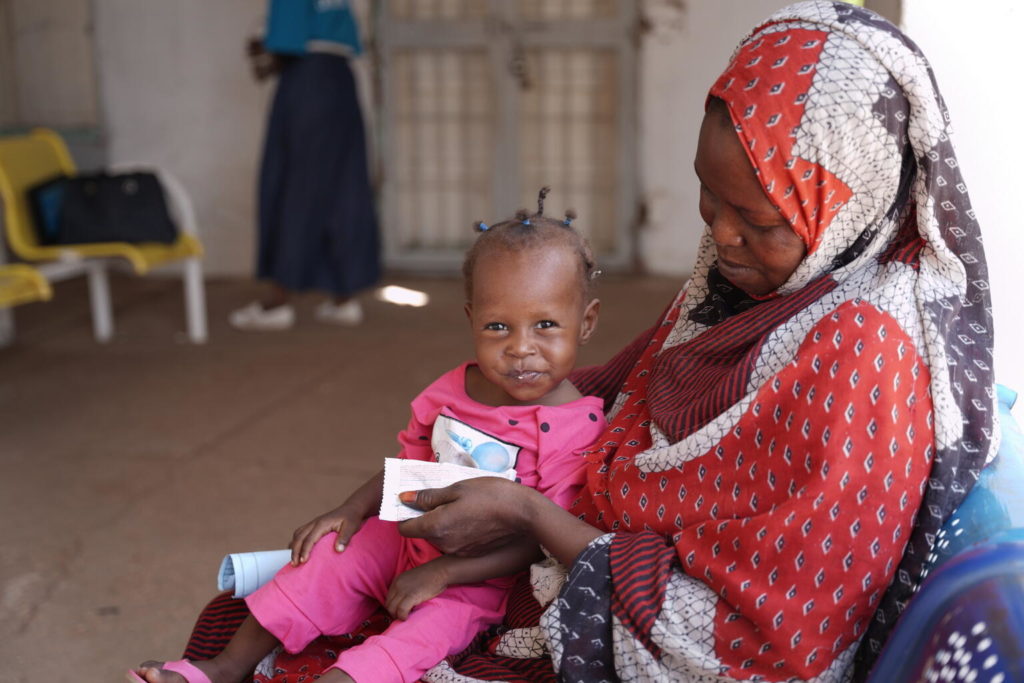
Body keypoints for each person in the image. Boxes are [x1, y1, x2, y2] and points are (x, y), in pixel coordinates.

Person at [177, 2, 996, 681]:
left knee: (365, 638)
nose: (723, 237)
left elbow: (759, 637)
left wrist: (528, 514)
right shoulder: (750, 284)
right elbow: (610, 386)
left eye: (760, 220)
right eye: (710, 200)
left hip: (646, 622)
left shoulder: (860, 358)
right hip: (568, 536)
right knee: (295, 590)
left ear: (845, 205)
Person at [129, 190, 606, 683]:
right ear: (471, 321)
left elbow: (538, 540)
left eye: (546, 325)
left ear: (585, 322)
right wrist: (348, 512)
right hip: (400, 536)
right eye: (497, 327)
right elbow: (406, 471)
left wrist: (444, 573)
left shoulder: (577, 426)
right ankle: (224, 667)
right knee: (323, 559)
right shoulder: (455, 389)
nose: (521, 348)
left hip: (478, 579)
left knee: (416, 640)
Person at [229, 0, 380, 331]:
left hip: (308, 81)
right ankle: (344, 298)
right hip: (341, 81)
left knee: (293, 187)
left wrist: (263, 46)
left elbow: (285, 40)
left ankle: (278, 302)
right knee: (342, 189)